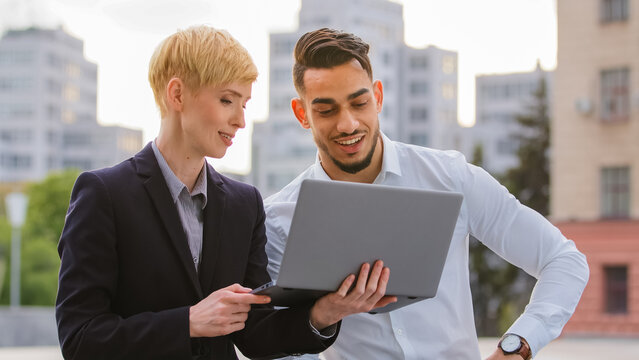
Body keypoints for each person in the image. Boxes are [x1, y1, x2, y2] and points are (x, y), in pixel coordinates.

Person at [55, 26, 396, 360]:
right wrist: (187, 323)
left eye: (244, 104)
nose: (240, 120)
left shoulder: (243, 204)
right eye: (227, 100)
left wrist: (325, 312)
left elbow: (255, 336)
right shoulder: (104, 194)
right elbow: (80, 339)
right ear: (177, 95)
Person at [263, 28, 589, 360]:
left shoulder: (449, 176)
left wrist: (517, 346)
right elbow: (280, 344)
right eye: (326, 110)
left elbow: (563, 260)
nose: (347, 124)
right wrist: (321, 314)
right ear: (302, 114)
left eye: (359, 103)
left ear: (377, 97)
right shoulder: (279, 218)